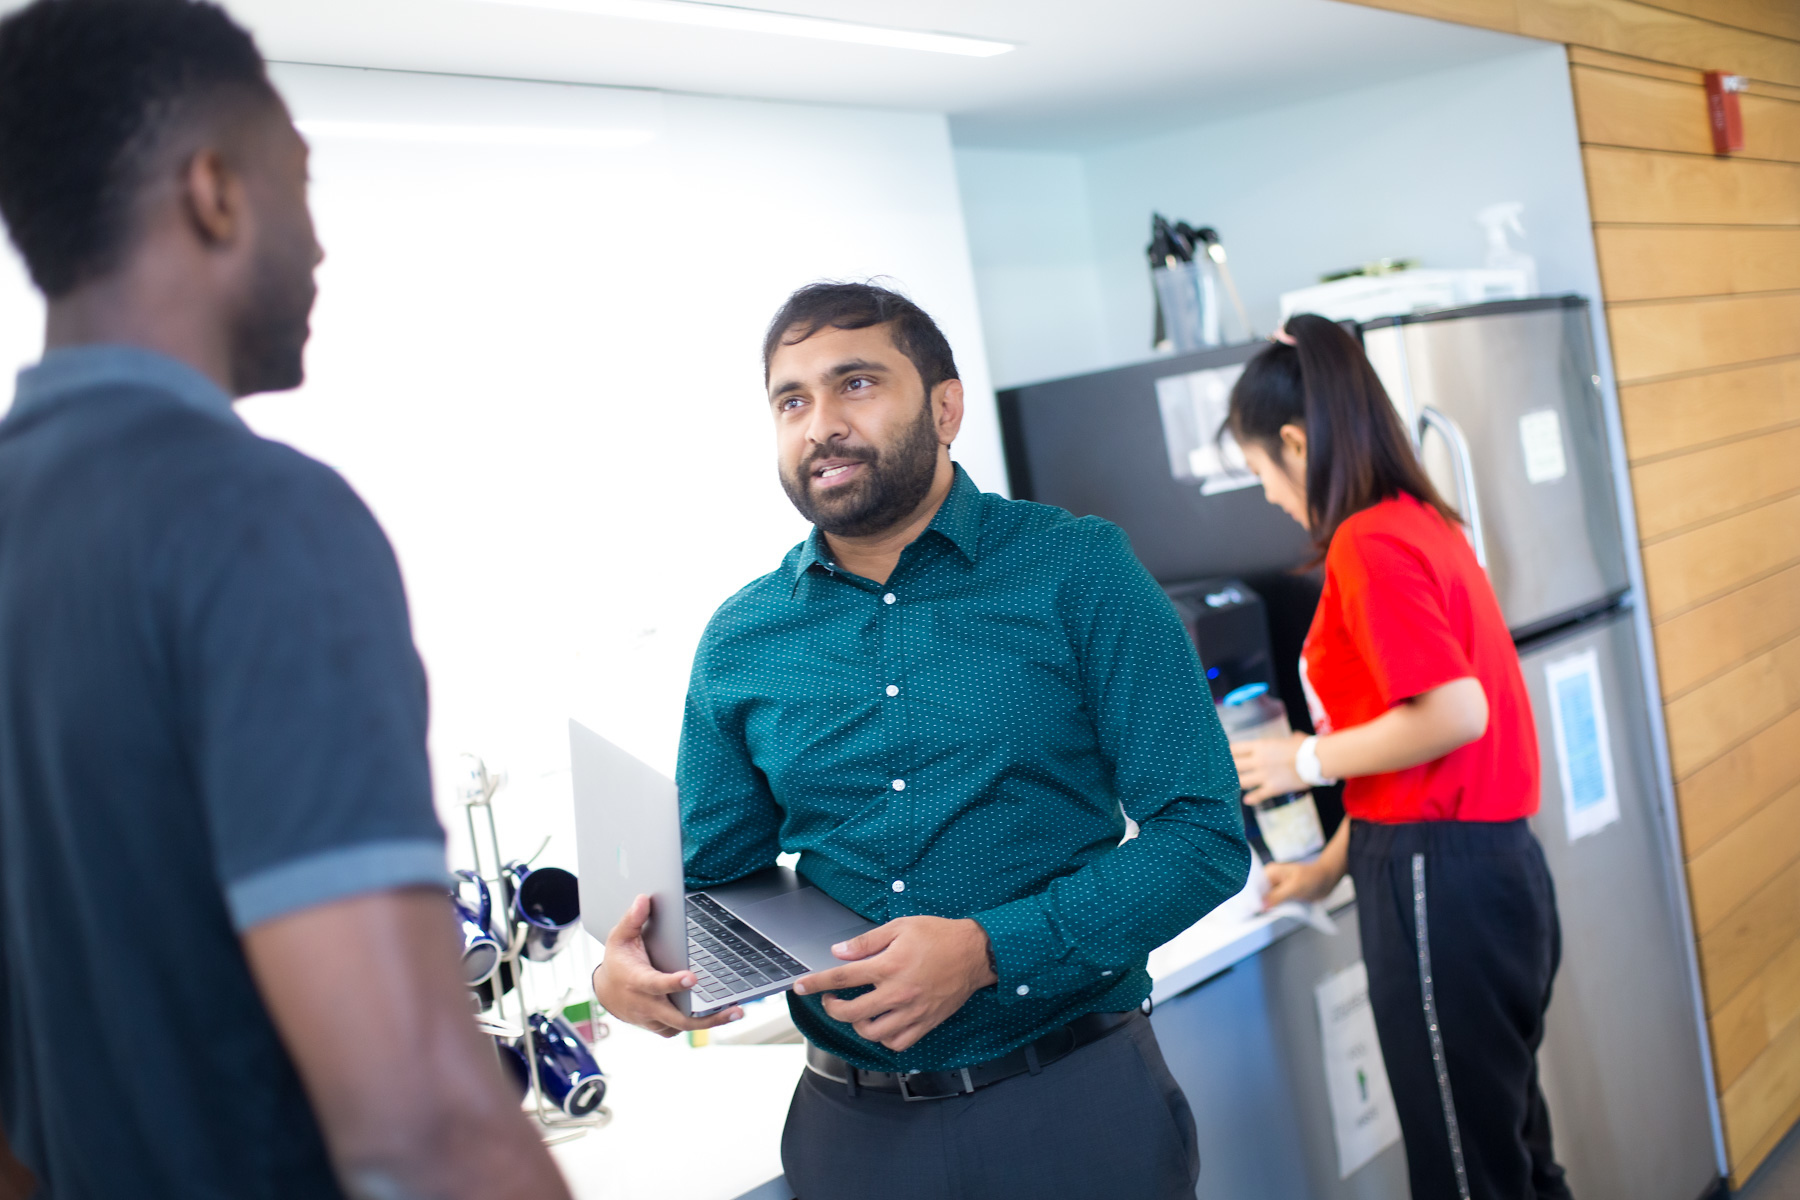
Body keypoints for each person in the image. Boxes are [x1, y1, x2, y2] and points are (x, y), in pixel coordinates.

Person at [0, 3, 572, 1197]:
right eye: (298, 184)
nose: (318, 248)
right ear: (215, 191)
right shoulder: (257, 522)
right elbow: (418, 1115)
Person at [593, 281, 1248, 1198]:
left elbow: (1204, 836)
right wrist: (637, 968)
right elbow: (720, 878)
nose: (820, 424)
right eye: (792, 401)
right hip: (850, 1137)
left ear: (945, 408)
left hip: (1070, 1103)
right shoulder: (742, 638)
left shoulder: (1077, 569)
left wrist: (988, 949)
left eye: (854, 383)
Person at [1229, 314, 1572, 1200]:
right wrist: (1331, 868)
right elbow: (1408, 774)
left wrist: (1305, 761)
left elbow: (1455, 712)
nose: (1266, 495)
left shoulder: (1368, 543)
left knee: (1466, 1179)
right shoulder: (1418, 520)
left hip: (1440, 891)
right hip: (1481, 871)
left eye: (1261, 470)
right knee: (1515, 1161)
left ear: (1297, 445)